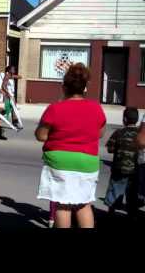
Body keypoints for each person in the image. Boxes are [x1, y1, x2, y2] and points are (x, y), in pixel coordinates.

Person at [35, 63, 106, 228]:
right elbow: (100, 133)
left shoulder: (55, 109)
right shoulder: (96, 108)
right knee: (84, 203)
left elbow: (41, 135)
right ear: (85, 87)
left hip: (60, 162)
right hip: (87, 161)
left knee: (63, 205)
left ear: (64, 87)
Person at [104, 107, 140, 220]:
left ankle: (111, 214)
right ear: (137, 120)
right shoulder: (141, 134)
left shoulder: (119, 132)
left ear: (124, 119)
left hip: (118, 169)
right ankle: (132, 213)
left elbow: (110, 148)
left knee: (114, 191)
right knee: (133, 194)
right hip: (135, 170)